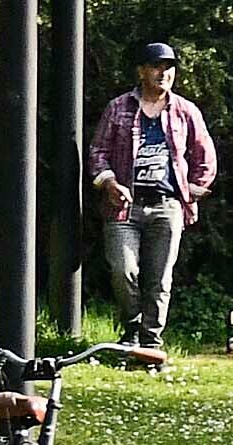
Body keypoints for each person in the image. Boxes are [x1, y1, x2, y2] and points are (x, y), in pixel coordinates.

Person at [83, 42, 217, 352]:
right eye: (157, 66)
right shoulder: (118, 107)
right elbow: (98, 152)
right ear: (141, 71)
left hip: (167, 206)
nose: (164, 72)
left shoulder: (185, 111)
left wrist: (190, 193)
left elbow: (205, 156)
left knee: (160, 280)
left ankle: (150, 343)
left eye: (169, 67)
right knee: (123, 269)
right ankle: (131, 329)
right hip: (124, 207)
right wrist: (109, 183)